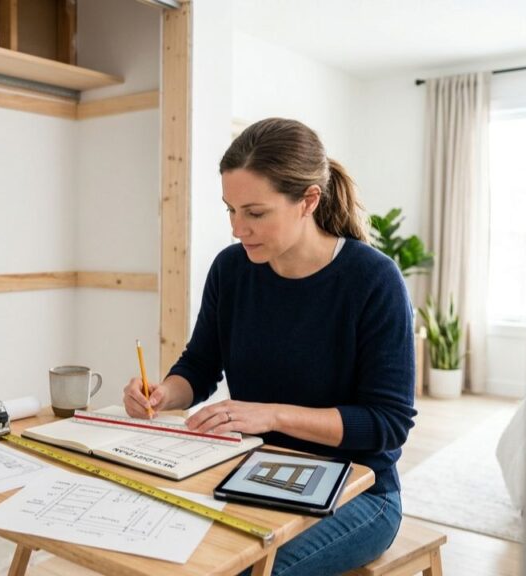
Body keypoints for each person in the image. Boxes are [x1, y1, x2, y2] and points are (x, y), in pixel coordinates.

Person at [123, 118, 416, 575]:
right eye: (230, 211)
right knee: (146, 542)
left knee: (242, 571)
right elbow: (199, 366)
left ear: (309, 201)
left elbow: (388, 423)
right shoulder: (231, 270)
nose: (239, 229)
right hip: (249, 470)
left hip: (361, 490)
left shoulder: (373, 280)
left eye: (255, 213)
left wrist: (272, 414)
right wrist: (163, 393)